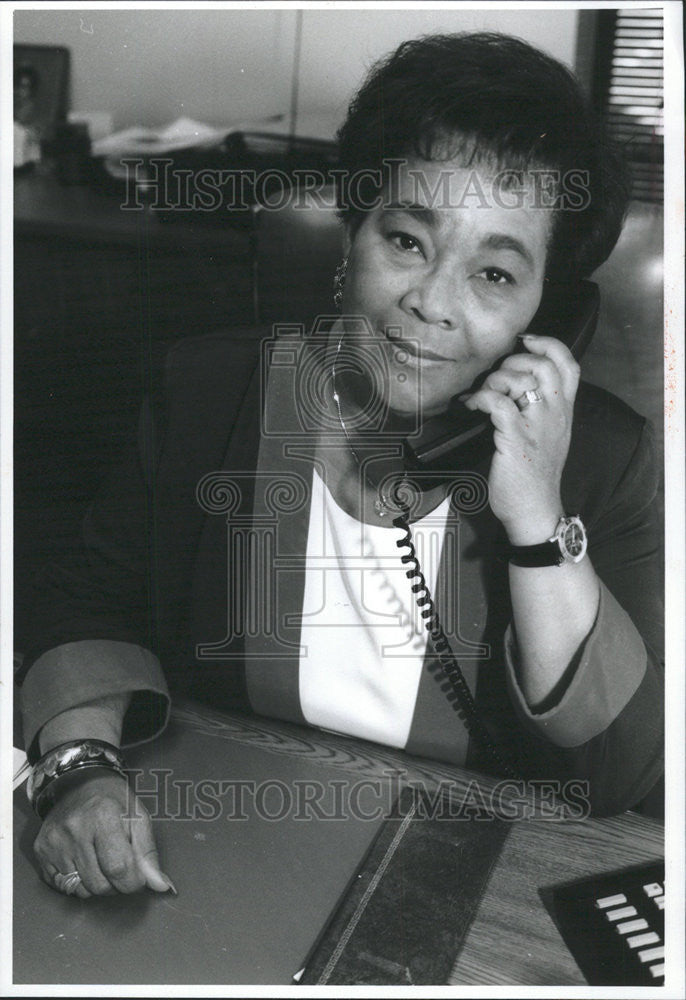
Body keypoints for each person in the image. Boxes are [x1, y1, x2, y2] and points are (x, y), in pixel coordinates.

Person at [18, 32, 663, 900]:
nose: (431, 303)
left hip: (466, 887)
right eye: (406, 240)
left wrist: (537, 525)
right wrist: (81, 769)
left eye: (496, 275)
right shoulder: (210, 393)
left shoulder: (604, 460)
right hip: (210, 851)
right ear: (352, 229)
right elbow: (84, 606)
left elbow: (619, 775)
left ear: (551, 309)